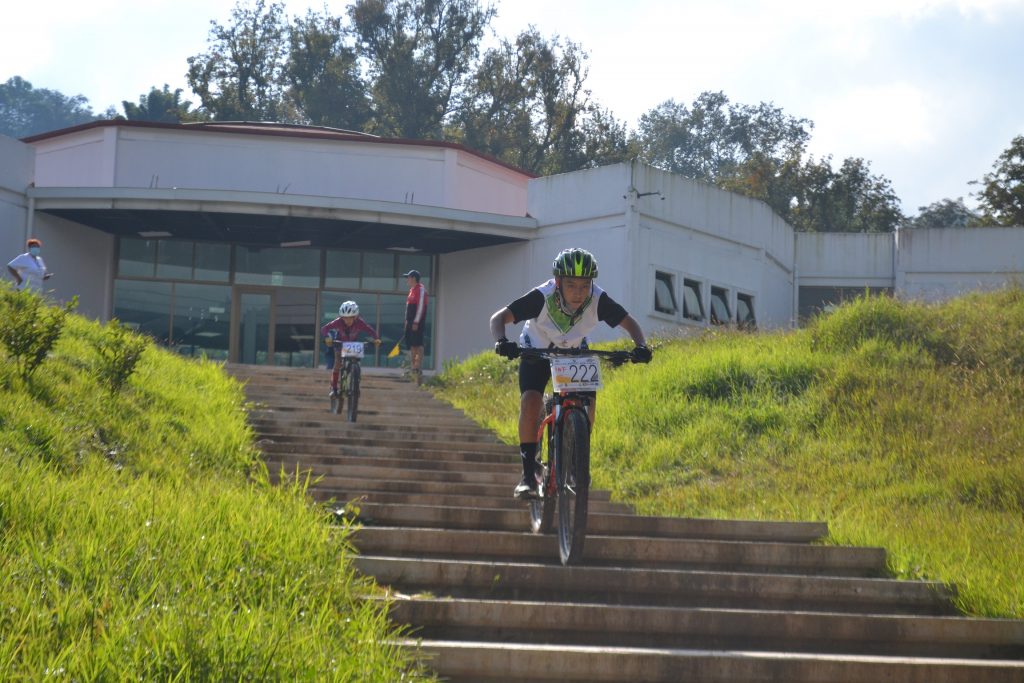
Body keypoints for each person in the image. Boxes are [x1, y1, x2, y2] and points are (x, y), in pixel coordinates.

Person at [489, 247, 653, 500]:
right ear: (558, 282)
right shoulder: (542, 297)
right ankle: (528, 474)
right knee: (530, 400)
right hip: (537, 349)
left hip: (574, 351)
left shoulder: (598, 299)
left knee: (588, 403)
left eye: (585, 285)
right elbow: (498, 318)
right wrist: (502, 341)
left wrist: (641, 346)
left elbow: (629, 323)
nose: (579, 292)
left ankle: (578, 458)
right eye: (571, 285)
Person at [320, 301, 381, 396]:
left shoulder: (360, 322)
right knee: (337, 364)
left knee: (356, 362)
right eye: (345, 318)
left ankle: (355, 382)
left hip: (353, 345)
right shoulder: (338, 321)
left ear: (355, 317)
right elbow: (324, 328)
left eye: (350, 318)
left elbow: (370, 330)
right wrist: (327, 337)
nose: (347, 320)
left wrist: (376, 338)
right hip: (339, 343)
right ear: (341, 317)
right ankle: (334, 387)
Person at [402, 269, 428, 384]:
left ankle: (418, 366)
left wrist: (416, 322)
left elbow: (421, 306)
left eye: (408, 277)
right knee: (412, 345)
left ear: (413, 278)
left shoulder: (421, 289)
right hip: (409, 321)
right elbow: (408, 308)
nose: (407, 280)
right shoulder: (411, 290)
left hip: (417, 322)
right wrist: (406, 321)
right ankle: (413, 367)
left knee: (418, 344)